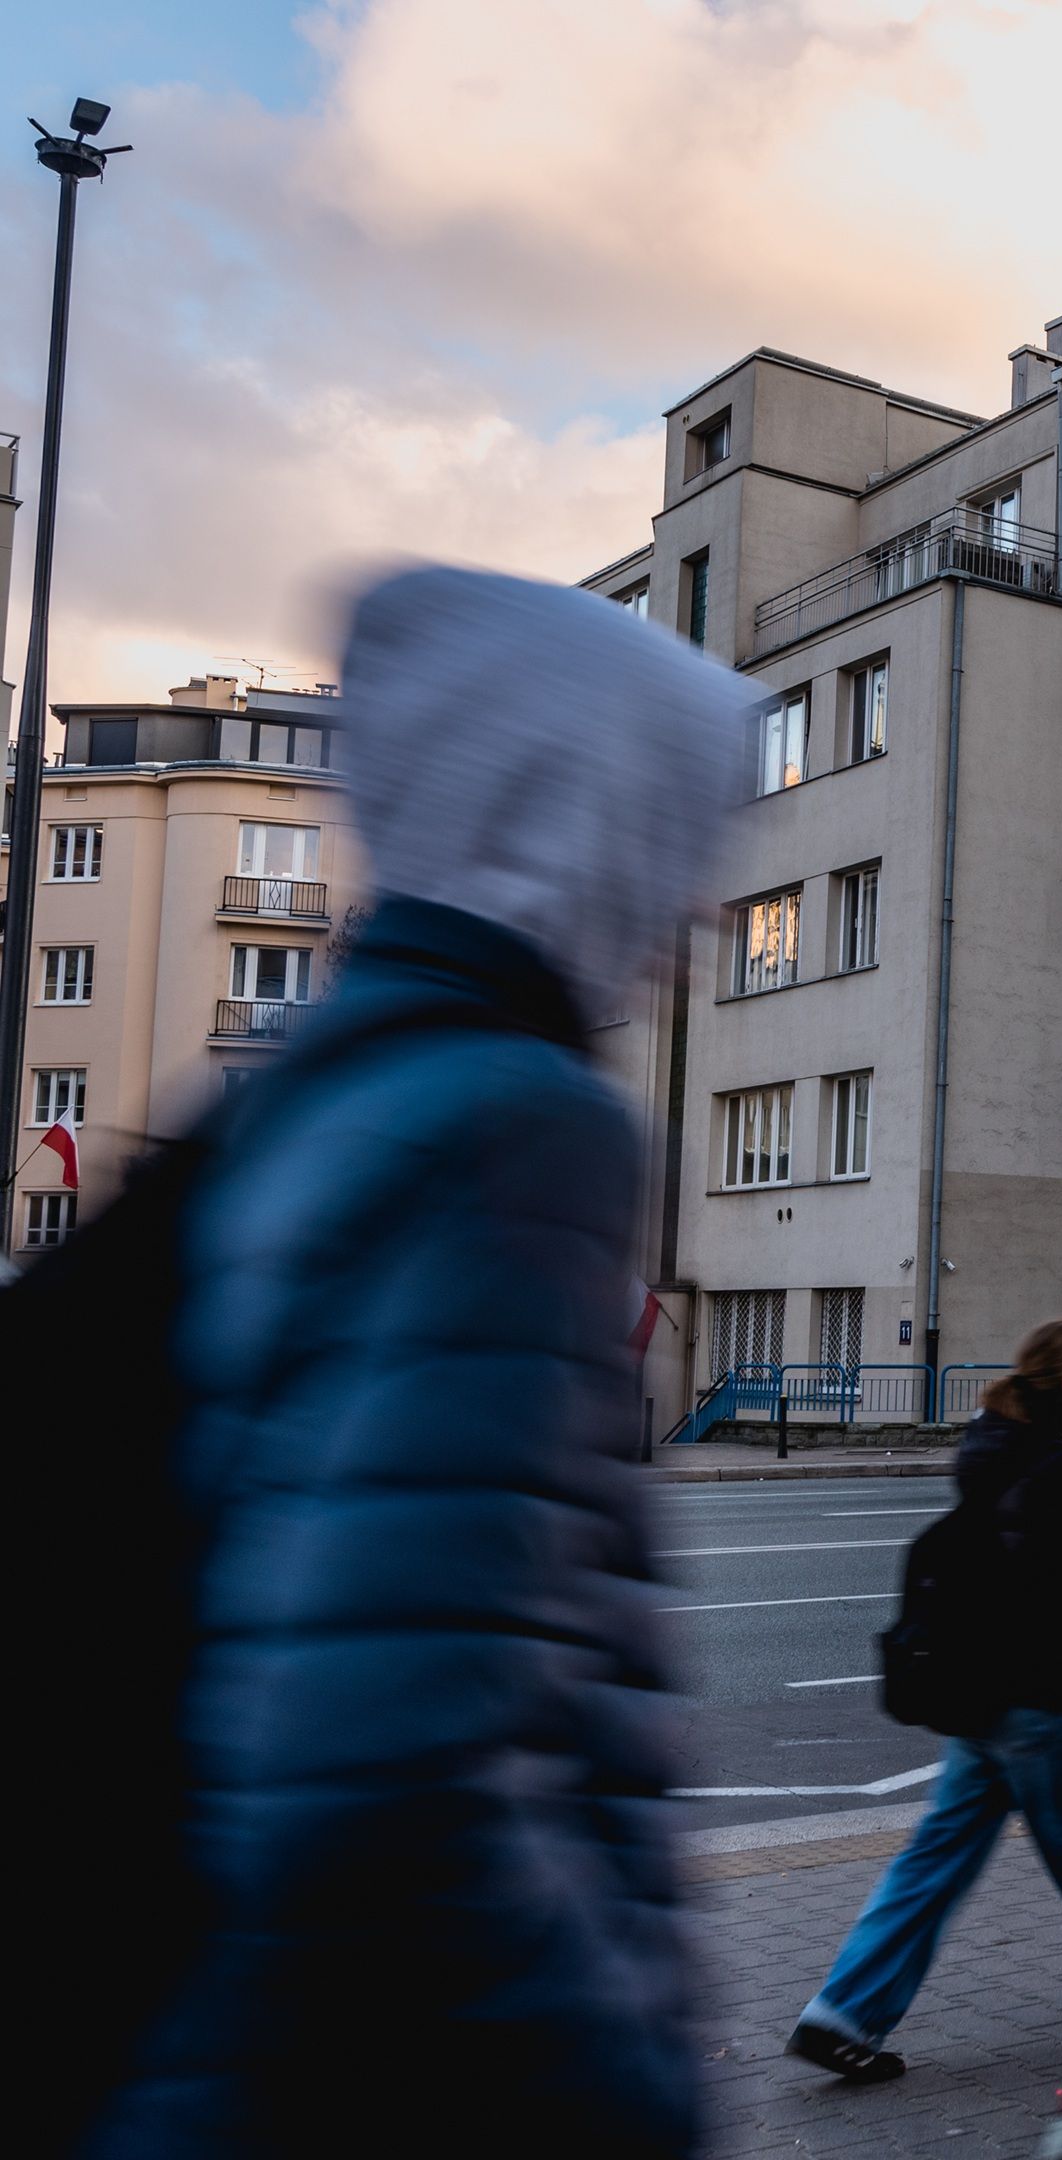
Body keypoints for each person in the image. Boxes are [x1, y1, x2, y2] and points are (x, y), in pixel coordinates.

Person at [78, 569, 745, 2156]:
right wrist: (629, 2101)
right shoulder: (517, 1126)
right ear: (590, 813)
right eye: (684, 830)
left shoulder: (309, 1093)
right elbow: (389, 1778)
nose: (701, 910)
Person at [788, 1320, 1062, 2083]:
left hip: (978, 1697)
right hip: (1040, 1695)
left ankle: (842, 2014)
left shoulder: (993, 1441)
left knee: (932, 1865)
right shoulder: (1052, 1463)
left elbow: (1036, 1566)